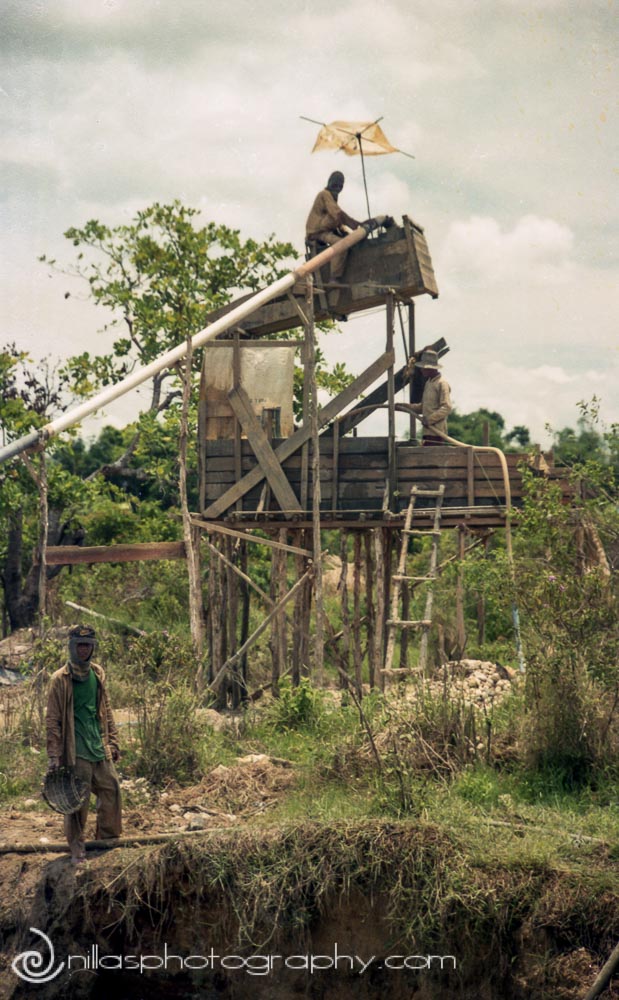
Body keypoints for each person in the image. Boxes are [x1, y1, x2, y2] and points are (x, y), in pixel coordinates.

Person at [46, 624, 122, 864]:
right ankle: (77, 848)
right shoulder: (60, 679)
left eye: (87, 646)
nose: (83, 650)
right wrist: (54, 756)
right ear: (71, 646)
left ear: (93, 648)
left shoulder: (97, 674)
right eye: (79, 645)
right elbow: (53, 720)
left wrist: (113, 742)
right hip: (75, 750)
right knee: (77, 802)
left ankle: (106, 840)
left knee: (111, 789)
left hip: (98, 747)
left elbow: (106, 710)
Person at [305, 171, 361, 282]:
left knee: (344, 234)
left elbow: (339, 223)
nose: (338, 188)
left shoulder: (331, 198)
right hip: (316, 233)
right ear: (330, 183)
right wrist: (355, 224)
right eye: (336, 185)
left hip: (323, 231)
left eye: (341, 186)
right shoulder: (325, 194)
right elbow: (337, 214)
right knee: (341, 246)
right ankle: (334, 278)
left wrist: (350, 234)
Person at [410, 349, 452, 445]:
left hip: (437, 433)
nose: (421, 370)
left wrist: (429, 420)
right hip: (427, 432)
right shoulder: (428, 383)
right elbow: (423, 407)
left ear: (431, 368)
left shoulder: (442, 383)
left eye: (424, 367)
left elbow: (447, 407)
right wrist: (404, 406)